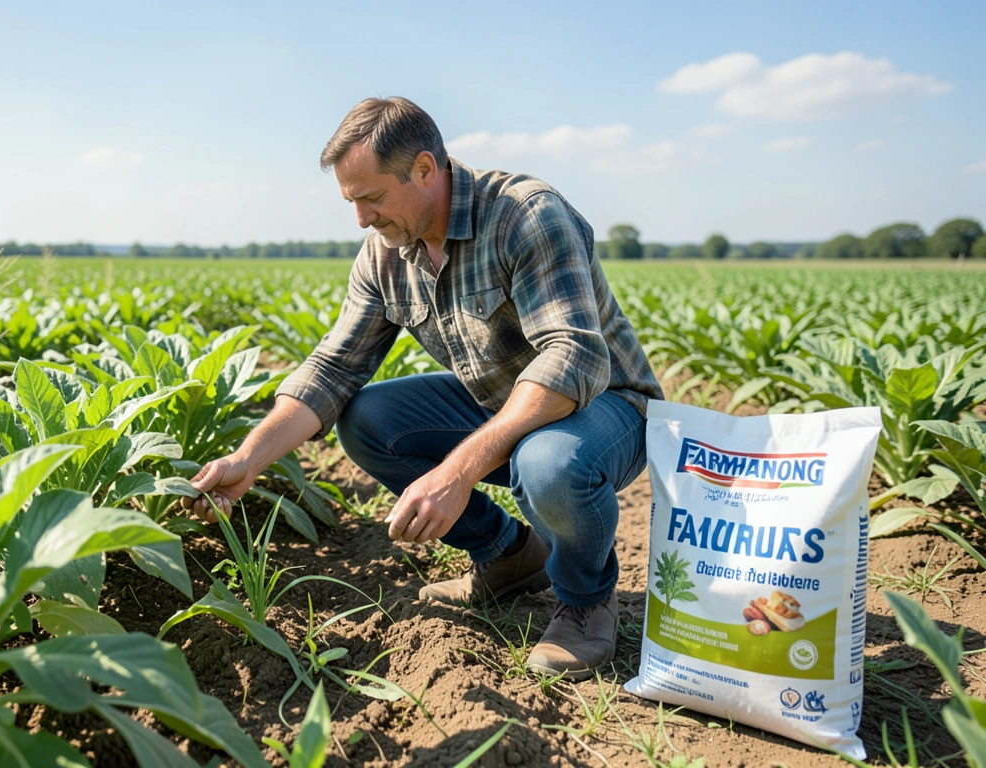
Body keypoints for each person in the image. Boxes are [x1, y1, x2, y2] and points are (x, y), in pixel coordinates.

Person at [187, 96, 663, 680]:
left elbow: (572, 360)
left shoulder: (526, 214)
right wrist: (247, 458)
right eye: (351, 200)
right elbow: (334, 368)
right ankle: (510, 556)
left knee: (549, 463)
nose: (361, 218)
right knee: (366, 419)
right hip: (502, 399)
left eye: (372, 197)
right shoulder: (385, 252)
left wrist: (456, 473)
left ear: (424, 170)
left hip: (606, 405)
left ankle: (586, 601)